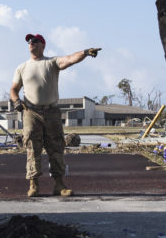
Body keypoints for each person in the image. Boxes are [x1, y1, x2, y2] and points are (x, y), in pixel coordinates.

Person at [9, 33, 100, 197]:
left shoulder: (51, 62)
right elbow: (14, 89)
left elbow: (70, 59)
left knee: (56, 147)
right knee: (32, 148)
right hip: (31, 112)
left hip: (51, 112)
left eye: (35, 41)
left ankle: (59, 184)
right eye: (29, 41)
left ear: (43, 45)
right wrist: (16, 101)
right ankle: (33, 185)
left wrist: (85, 52)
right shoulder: (22, 67)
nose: (31, 43)